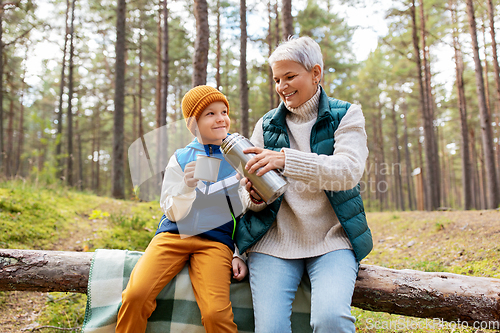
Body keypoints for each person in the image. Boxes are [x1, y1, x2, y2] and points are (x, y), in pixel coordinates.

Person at [235, 36, 373, 333]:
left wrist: (286, 160)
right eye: (276, 79)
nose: (282, 86)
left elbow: (348, 171)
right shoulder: (267, 124)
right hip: (273, 242)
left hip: (332, 240)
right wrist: (255, 196)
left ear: (315, 73)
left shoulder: (346, 115)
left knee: (331, 320)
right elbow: (244, 194)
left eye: (290, 76)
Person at [116, 85, 247, 333]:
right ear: (194, 123)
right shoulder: (180, 157)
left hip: (216, 242)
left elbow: (245, 212)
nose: (221, 118)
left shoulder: (239, 156)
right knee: (135, 295)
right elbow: (171, 211)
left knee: (215, 314)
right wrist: (187, 187)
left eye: (224, 111)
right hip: (172, 236)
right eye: (210, 114)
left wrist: (240, 252)